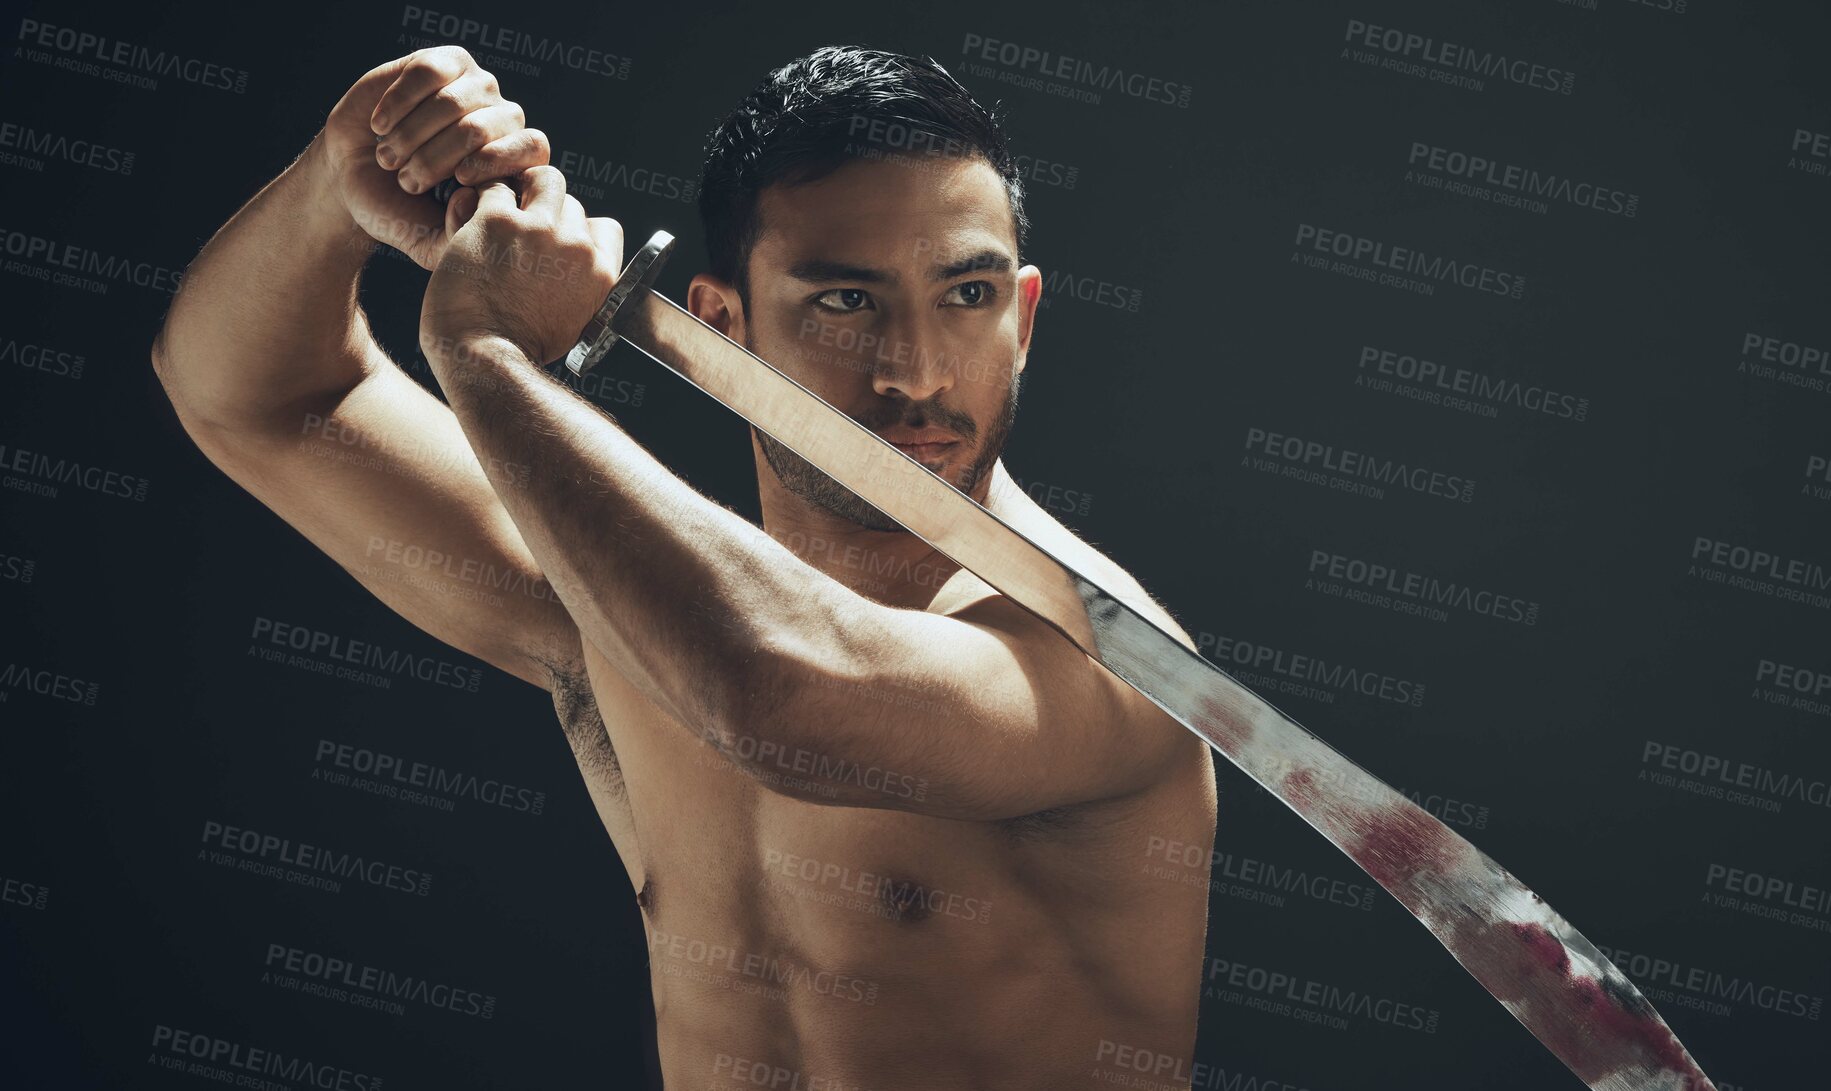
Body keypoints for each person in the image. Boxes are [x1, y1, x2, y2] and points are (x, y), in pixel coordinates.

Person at [152, 42, 1217, 1089]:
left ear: (1023, 318)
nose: (917, 369)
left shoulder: (1101, 660)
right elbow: (258, 399)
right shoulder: (625, 599)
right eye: (845, 303)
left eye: (967, 295)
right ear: (722, 324)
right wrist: (337, 182)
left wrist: (484, 350)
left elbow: (774, 697)